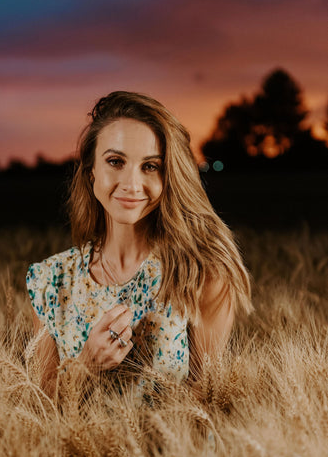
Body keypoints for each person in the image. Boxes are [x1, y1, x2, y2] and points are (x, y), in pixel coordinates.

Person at [26, 91, 252, 401]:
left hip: (173, 450)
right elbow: (39, 411)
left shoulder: (200, 275)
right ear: (91, 170)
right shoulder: (51, 282)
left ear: (169, 175)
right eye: (116, 162)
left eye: (150, 167)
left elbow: (206, 406)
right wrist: (86, 366)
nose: (132, 185)